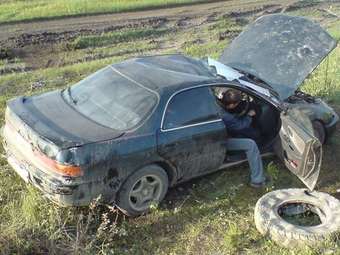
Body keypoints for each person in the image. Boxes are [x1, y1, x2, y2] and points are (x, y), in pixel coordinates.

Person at [221, 89, 266, 187]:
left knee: (246, 134)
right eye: (238, 103)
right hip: (221, 141)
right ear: (232, 105)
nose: (239, 104)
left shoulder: (218, 104)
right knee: (251, 144)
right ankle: (257, 180)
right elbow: (241, 126)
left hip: (220, 134)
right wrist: (249, 115)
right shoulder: (226, 116)